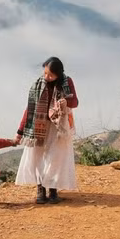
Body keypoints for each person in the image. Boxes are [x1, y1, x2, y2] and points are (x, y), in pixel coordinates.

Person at [15, 56, 79, 204]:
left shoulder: (67, 82)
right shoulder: (38, 85)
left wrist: (65, 101)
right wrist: (20, 131)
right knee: (37, 157)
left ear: (59, 73)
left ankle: (53, 190)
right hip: (39, 125)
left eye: (50, 75)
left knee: (56, 158)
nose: (46, 77)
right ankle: (40, 189)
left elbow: (75, 102)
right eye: (45, 73)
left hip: (58, 127)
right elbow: (30, 108)